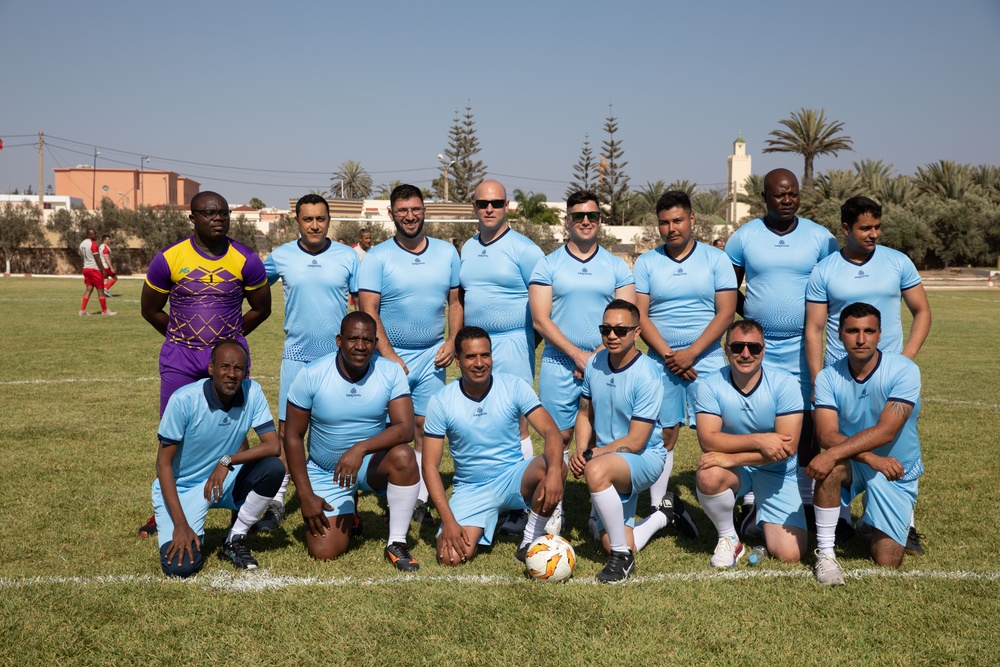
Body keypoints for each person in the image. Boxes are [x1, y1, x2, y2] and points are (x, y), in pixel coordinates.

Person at [138, 191, 271, 537]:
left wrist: (232, 339)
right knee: (174, 436)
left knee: (237, 431)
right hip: (180, 358)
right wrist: (182, 336)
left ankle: (239, 506)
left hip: (229, 359)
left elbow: (262, 307)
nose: (218, 219)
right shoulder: (169, 257)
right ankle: (165, 508)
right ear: (192, 218)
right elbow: (150, 309)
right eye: (209, 213)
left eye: (223, 213)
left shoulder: (246, 259)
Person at [805, 195, 932, 553]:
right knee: (838, 440)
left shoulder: (898, 262)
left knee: (898, 443)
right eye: (865, 228)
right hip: (841, 375)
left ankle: (904, 524)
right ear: (845, 229)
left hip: (890, 377)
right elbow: (814, 329)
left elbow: (922, 312)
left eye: (877, 227)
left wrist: (905, 359)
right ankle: (840, 521)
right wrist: (818, 377)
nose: (873, 234)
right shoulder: (825, 270)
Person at [725, 168, 838, 532]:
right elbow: (728, 288)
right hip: (759, 347)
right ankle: (751, 500)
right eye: (779, 195)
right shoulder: (744, 237)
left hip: (805, 346)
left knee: (807, 421)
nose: (787, 200)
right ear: (765, 197)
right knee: (754, 418)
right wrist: (755, 316)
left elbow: (832, 285)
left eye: (793, 194)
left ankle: (804, 501)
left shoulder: (821, 238)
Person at [528, 189, 635, 534]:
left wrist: (598, 358)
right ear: (568, 220)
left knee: (603, 435)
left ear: (600, 220)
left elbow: (627, 319)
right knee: (557, 437)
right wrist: (577, 356)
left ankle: (597, 505)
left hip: (606, 363)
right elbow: (541, 319)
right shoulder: (548, 263)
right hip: (561, 362)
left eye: (591, 215)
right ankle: (553, 506)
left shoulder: (617, 266)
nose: (585, 221)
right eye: (578, 216)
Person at [358, 183, 462, 526]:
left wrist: (453, 340)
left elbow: (455, 302)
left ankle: (418, 500)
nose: (410, 216)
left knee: (424, 427)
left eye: (415, 209)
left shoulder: (447, 252)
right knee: (388, 426)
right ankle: (383, 489)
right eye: (402, 210)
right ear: (391, 214)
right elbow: (368, 310)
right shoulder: (377, 257)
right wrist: (388, 355)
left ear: (424, 211)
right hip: (389, 357)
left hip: (433, 354)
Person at [283, 312, 421, 570]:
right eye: (353, 339)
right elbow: (292, 436)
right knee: (324, 551)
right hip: (327, 471)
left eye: (367, 340)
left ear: (376, 342)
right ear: (339, 340)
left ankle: (397, 541)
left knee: (404, 455)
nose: (360, 346)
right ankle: (350, 511)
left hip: (370, 465)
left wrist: (361, 448)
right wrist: (305, 495)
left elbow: (405, 429)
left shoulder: (390, 371)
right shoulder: (312, 374)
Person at [633, 190, 735, 530]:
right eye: (664, 222)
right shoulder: (647, 262)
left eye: (678, 220)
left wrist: (691, 353)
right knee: (665, 431)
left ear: (692, 219)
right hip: (661, 360)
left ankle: (738, 501)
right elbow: (641, 316)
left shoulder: (716, 259)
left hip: (706, 358)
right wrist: (669, 355)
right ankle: (660, 505)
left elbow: (726, 312)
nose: (671, 228)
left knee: (719, 431)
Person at [422, 327, 565, 567]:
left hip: (513, 478)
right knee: (450, 558)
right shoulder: (441, 401)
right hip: (471, 490)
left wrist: (553, 474)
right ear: (457, 361)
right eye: (470, 357)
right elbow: (429, 466)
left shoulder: (513, 386)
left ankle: (529, 538)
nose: (479, 363)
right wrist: (448, 521)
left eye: (485, 355)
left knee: (557, 463)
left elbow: (551, 432)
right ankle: (489, 518)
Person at [259, 193, 360, 532]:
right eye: (307, 219)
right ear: (296, 221)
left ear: (328, 220)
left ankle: (347, 497)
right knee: (290, 431)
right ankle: (276, 501)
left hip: (337, 361)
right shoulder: (281, 256)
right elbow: (252, 287)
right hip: (296, 358)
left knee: (340, 427)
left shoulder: (348, 257)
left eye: (320, 218)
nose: (314, 225)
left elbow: (361, 307)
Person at [809, 303, 925, 584]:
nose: (861, 339)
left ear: (880, 334)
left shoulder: (904, 370)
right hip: (861, 463)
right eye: (852, 331)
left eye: (868, 331)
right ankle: (825, 554)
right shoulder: (827, 377)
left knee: (888, 560)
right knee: (830, 468)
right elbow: (826, 435)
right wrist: (872, 459)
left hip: (896, 469)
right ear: (839, 335)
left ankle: (870, 521)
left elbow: (886, 431)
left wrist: (835, 454)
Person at [153, 339, 284, 577]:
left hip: (226, 480)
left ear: (245, 372)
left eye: (238, 369)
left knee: (273, 468)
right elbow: (162, 465)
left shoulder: (252, 391)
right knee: (180, 567)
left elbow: (273, 446)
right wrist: (181, 526)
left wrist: (227, 461)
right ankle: (184, 523)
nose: (232, 374)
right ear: (211, 368)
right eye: (225, 367)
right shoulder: (184, 400)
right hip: (184, 488)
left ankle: (235, 539)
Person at [461, 179, 544, 535]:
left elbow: (543, 306)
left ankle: (524, 504)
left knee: (517, 421)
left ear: (507, 205)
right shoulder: (466, 247)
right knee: (483, 421)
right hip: (474, 349)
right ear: (475, 207)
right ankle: (491, 495)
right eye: (483, 203)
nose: (489, 209)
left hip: (512, 345)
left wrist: (526, 341)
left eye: (496, 203)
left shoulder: (525, 250)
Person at [694, 320, 807, 568]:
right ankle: (729, 537)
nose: (746, 354)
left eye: (754, 348)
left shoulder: (785, 383)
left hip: (778, 471)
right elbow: (708, 439)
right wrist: (760, 439)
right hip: (739, 470)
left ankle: (755, 516)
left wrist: (731, 458)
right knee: (709, 474)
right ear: (726, 349)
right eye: (738, 347)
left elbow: (786, 449)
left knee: (790, 554)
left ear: (764, 349)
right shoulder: (710, 384)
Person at [569, 300, 668, 583]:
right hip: (607, 458)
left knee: (596, 471)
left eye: (620, 330)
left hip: (644, 458)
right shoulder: (595, 364)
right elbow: (585, 413)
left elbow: (637, 441)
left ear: (637, 333)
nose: (612, 335)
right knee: (614, 540)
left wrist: (594, 455)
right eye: (606, 329)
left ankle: (622, 561)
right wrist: (580, 450)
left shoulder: (647, 373)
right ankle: (663, 516)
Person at [79, 228, 115, 316]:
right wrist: (103, 270)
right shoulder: (93, 244)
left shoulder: (82, 243)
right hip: (94, 269)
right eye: (94, 234)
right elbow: (96, 258)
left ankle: (82, 310)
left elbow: (81, 254)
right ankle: (105, 311)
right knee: (101, 290)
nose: (96, 235)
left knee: (88, 290)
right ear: (89, 234)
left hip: (86, 268)